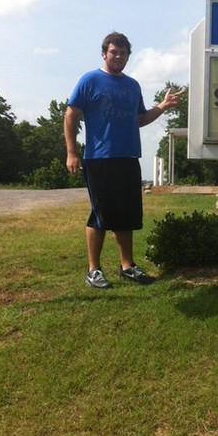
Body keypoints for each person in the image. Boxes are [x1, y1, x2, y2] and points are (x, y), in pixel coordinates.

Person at [64, 31, 182, 289]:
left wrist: (162, 106)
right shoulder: (90, 80)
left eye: (123, 53)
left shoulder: (132, 85)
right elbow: (71, 115)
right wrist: (72, 152)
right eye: (113, 52)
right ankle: (93, 270)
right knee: (101, 214)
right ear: (104, 53)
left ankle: (127, 266)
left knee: (126, 215)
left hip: (128, 157)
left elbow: (139, 119)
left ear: (128, 55)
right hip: (99, 158)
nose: (118, 56)